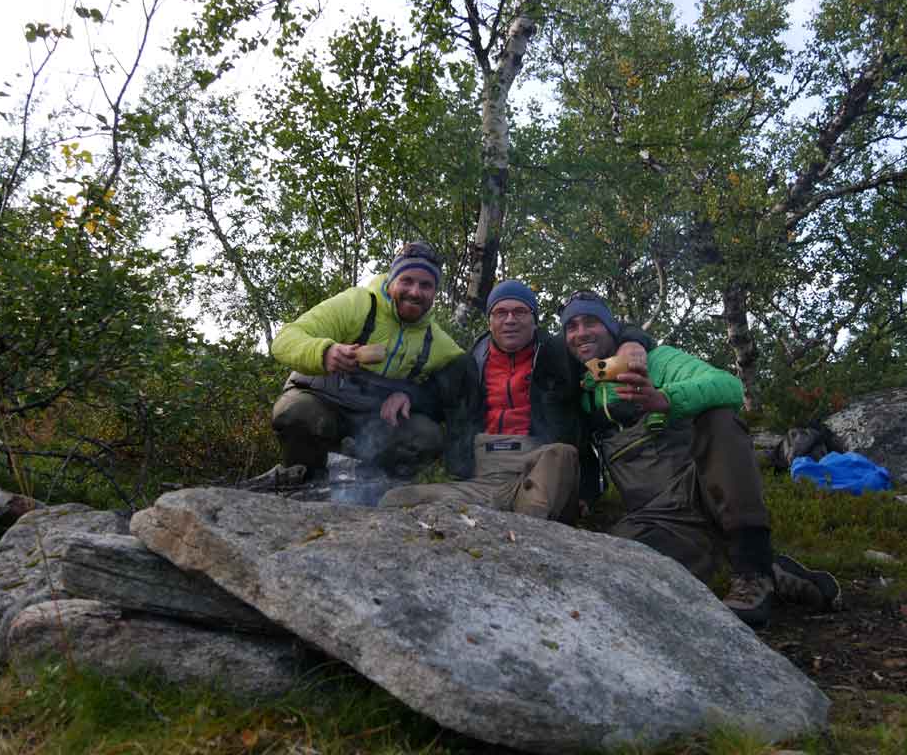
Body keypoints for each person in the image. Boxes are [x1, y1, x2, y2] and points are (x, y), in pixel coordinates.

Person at [560, 291, 841, 627]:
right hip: (655, 518)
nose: (581, 332)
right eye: (571, 326)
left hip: (703, 493)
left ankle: (752, 571)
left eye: (591, 322)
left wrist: (665, 399)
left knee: (719, 418)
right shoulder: (584, 391)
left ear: (610, 327)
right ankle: (766, 568)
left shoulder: (659, 360)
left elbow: (728, 386)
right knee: (612, 567)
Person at [380, 280, 649, 520]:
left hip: (541, 470)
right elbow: (431, 393)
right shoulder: (468, 364)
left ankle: (526, 519)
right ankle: (514, 517)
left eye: (520, 312)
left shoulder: (562, 355)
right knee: (397, 500)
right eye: (501, 312)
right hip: (482, 480)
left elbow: (603, 344)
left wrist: (632, 342)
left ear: (534, 320)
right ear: (490, 321)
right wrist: (406, 395)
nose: (510, 320)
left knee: (560, 455)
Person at [269, 243, 464, 479]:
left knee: (426, 437)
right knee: (297, 415)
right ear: (391, 280)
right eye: (407, 280)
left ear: (434, 292)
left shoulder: (436, 341)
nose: (415, 292)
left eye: (426, 285)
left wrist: (411, 395)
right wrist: (325, 352)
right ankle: (307, 478)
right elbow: (284, 340)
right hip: (321, 399)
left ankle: (370, 483)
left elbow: (461, 379)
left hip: (374, 420)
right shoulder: (357, 304)